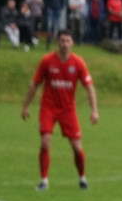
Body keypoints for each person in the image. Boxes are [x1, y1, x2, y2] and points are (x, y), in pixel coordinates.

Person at [21, 30, 99, 191]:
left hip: (68, 109)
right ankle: (44, 181)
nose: (64, 44)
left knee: (77, 147)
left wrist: (94, 110)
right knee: (45, 142)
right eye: (62, 41)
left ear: (72, 43)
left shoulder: (78, 63)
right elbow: (35, 84)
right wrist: (26, 106)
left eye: (67, 41)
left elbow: (89, 87)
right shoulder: (47, 61)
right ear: (58, 42)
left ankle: (82, 178)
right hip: (48, 107)